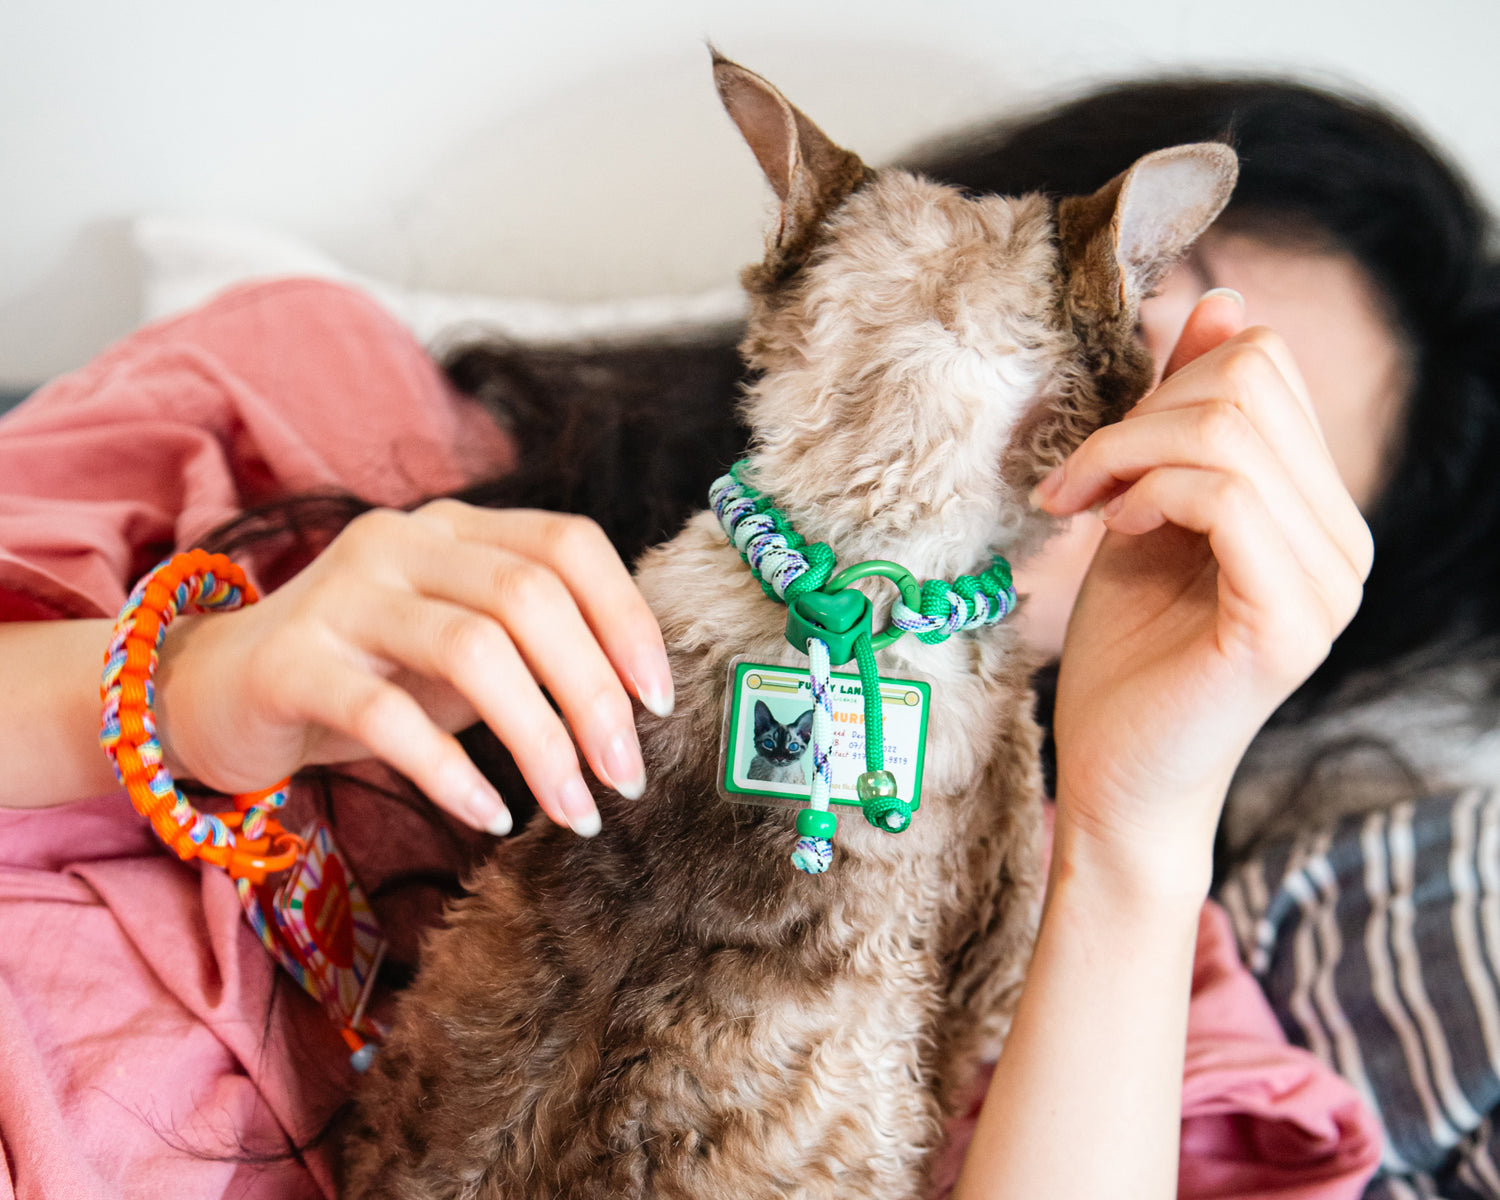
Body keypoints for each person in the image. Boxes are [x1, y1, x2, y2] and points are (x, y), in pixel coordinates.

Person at [0, 73, 1492, 1199]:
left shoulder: (1153, 982)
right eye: (1154, 325)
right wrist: (188, 693)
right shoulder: (317, 409)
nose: (1122, 453)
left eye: (1244, 463)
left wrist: (1130, 833)